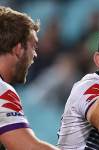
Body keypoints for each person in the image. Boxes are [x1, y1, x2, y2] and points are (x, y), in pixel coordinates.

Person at [0, 6, 58, 149]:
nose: (35, 55)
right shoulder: (2, 91)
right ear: (18, 49)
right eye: (33, 46)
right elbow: (29, 148)